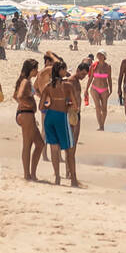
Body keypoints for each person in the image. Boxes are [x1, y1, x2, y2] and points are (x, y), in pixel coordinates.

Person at [40, 57, 82, 188]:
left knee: (54, 148)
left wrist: (50, 104)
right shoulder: (68, 85)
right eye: (65, 70)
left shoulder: (48, 86)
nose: (66, 72)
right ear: (61, 71)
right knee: (69, 150)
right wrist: (68, 105)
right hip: (61, 117)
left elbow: (41, 106)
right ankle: (73, 179)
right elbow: (75, 106)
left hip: (49, 117)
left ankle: (57, 177)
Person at [14, 58, 44, 181]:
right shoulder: (25, 81)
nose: (37, 71)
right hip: (26, 114)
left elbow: (14, 96)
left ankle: (32, 174)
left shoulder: (25, 81)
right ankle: (27, 175)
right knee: (28, 145)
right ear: (31, 70)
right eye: (36, 69)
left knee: (40, 144)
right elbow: (19, 96)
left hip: (26, 114)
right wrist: (28, 105)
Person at [84, 51, 112, 130]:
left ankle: (102, 124)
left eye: (101, 55)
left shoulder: (108, 67)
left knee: (104, 108)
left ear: (104, 56)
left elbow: (109, 79)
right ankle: (101, 126)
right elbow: (90, 78)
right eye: (98, 55)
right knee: (97, 107)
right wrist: (86, 89)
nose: (99, 56)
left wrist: (111, 89)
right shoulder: (94, 66)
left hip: (104, 89)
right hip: (94, 88)